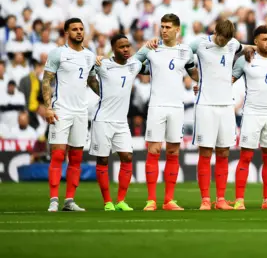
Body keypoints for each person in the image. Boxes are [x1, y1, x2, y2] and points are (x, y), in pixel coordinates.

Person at [133, 14, 199, 211]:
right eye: (162, 26)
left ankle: (169, 200)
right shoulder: (152, 48)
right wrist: (143, 48)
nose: (163, 30)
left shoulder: (185, 51)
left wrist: (200, 83)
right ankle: (151, 200)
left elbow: (192, 71)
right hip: (156, 106)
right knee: (153, 151)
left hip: (176, 107)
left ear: (177, 30)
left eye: (168, 27)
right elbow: (132, 64)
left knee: (173, 152)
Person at [42, 18, 99, 212]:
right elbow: (47, 80)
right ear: (67, 32)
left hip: (81, 112)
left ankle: (69, 201)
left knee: (76, 158)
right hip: (61, 111)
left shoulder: (90, 56)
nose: (79, 32)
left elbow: (92, 80)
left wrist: (107, 95)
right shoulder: (58, 53)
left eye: (81, 29)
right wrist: (48, 107)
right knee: (58, 154)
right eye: (74, 29)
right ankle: (53, 200)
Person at [190, 20, 243, 211]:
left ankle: (220, 199)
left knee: (224, 152)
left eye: (227, 39)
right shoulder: (200, 43)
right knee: (205, 153)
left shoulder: (232, 44)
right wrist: (197, 79)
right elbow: (181, 55)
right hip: (205, 104)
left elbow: (247, 49)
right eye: (221, 38)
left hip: (227, 105)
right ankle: (205, 199)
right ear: (215, 31)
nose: (224, 42)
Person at [231, 25, 267, 210]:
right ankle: (239, 200)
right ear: (255, 42)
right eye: (264, 39)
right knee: (245, 156)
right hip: (251, 114)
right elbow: (228, 80)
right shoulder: (246, 60)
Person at [92, 35, 146, 211]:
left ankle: (121, 200)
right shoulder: (104, 65)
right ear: (113, 48)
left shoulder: (133, 65)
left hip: (121, 122)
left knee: (127, 157)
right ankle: (108, 202)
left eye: (128, 46)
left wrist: (151, 43)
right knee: (103, 159)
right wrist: (96, 59)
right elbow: (88, 72)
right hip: (103, 120)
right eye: (121, 47)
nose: (126, 49)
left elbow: (143, 54)